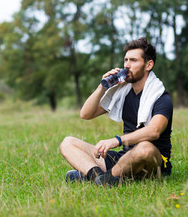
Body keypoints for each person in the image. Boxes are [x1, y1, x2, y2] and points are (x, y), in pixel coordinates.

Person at [59, 37, 173, 186]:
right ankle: (101, 178)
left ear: (148, 65)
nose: (127, 65)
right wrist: (102, 87)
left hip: (150, 160)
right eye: (125, 60)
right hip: (123, 158)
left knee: (144, 148)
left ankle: (102, 177)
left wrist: (117, 140)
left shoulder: (161, 97)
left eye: (133, 60)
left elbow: (154, 131)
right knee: (68, 143)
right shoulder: (122, 92)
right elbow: (86, 114)